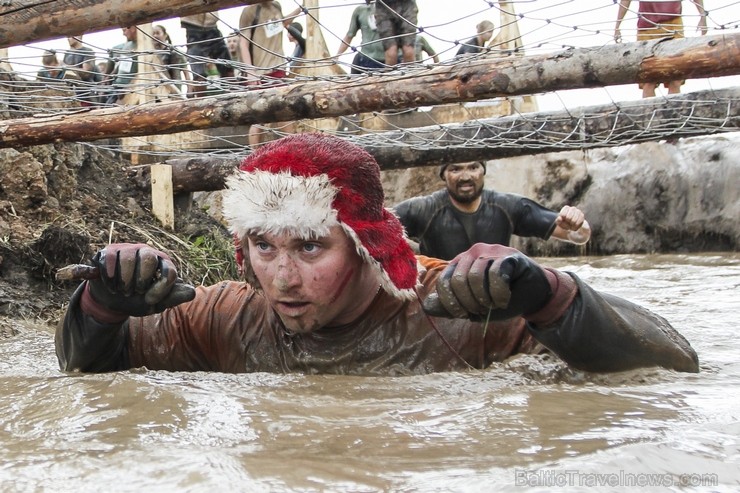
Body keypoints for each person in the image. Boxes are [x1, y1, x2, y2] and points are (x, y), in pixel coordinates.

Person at [55, 133, 698, 376]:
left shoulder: (461, 306)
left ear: (367, 247)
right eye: (263, 246)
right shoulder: (227, 315)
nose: (282, 277)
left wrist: (551, 297)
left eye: (310, 246)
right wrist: (103, 305)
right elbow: (87, 374)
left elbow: (673, 360)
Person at [393, 161, 592, 261]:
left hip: (496, 297)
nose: (465, 177)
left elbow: (579, 236)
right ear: (443, 175)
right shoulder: (421, 208)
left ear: (483, 171)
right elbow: (371, 231)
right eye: (455, 169)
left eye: (473, 168)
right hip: (441, 302)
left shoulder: (508, 206)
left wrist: (578, 224)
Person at [237, 1, 302, 145]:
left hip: (278, 68)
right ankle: (255, 155)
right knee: (260, 116)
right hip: (262, 72)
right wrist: (250, 71)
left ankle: (291, 150)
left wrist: (300, 9)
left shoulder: (276, 6)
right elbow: (243, 42)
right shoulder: (250, 10)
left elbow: (282, 22)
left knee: (284, 112)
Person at [614, 0, 707, 98]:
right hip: (647, 27)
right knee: (648, 80)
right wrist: (617, 26)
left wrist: (703, 16)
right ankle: (650, 111)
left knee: (676, 76)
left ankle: (674, 111)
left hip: (673, 23)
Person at [180, 11, 234, 97]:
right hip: (193, 26)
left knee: (228, 68)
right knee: (198, 73)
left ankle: (234, 95)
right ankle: (201, 104)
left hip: (211, 25)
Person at [335, 0, 386, 74]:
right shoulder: (360, 11)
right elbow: (349, 35)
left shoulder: (393, 9)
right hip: (365, 59)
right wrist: (337, 55)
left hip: (387, 60)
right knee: (356, 61)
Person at [103, 25, 139, 105]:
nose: (123, 34)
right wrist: (110, 76)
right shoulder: (127, 45)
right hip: (117, 85)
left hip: (130, 87)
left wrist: (130, 86)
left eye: (124, 31)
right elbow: (122, 64)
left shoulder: (142, 46)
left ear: (133, 28)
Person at [374, 0, 418, 66]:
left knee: (408, 51)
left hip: (407, 6)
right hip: (383, 7)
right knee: (391, 52)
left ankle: (411, 74)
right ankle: (390, 74)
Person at [152, 24, 191, 95]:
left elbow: (186, 72)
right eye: (153, 34)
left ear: (165, 35)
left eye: (158, 33)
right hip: (157, 91)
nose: (155, 36)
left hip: (175, 90)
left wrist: (189, 90)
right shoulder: (151, 54)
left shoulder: (174, 53)